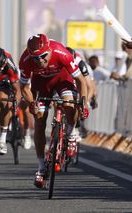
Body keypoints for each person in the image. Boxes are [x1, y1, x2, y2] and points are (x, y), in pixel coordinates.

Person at [19, 34, 88, 188]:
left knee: (69, 103)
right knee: (39, 119)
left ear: (49, 49)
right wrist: (31, 103)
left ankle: (71, 133)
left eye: (43, 56)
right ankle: (41, 167)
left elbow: (81, 81)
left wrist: (84, 103)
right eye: (35, 58)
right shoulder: (25, 60)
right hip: (40, 85)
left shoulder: (61, 52)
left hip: (62, 79)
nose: (40, 61)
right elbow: (23, 87)